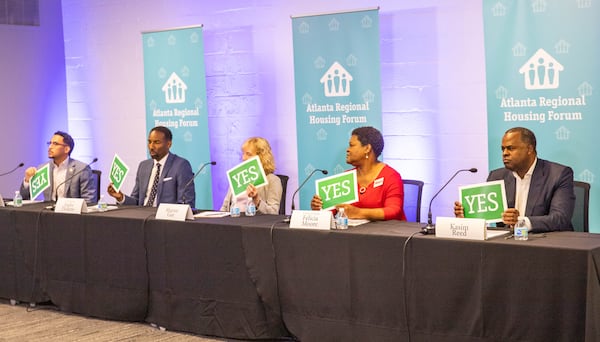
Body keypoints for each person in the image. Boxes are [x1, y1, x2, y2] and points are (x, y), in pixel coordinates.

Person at [454, 127, 575, 232]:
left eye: (511, 148)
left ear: (529, 149)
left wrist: (521, 222)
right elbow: (486, 215)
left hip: (546, 244)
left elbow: (560, 218)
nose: (505, 153)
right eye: (503, 149)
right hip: (507, 246)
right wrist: (468, 217)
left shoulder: (558, 174)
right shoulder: (496, 177)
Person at [310, 126, 406, 221]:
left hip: (386, 233)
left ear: (367, 148)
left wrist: (358, 213)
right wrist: (319, 207)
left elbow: (393, 210)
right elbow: (331, 211)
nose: (347, 150)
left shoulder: (391, 176)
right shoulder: (345, 178)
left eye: (352, 145)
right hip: (353, 234)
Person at [107, 126, 196, 207]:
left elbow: (186, 203)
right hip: (142, 219)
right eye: (149, 142)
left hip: (165, 220)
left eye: (156, 142)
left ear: (169, 144)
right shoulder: (143, 166)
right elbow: (137, 202)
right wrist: (120, 197)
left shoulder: (181, 165)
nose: (151, 147)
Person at [19, 131, 97, 203]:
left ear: (66, 149)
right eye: (50, 143)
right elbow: (24, 198)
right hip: (48, 213)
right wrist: (27, 180)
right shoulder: (43, 168)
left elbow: (89, 200)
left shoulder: (81, 169)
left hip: (72, 214)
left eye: (55, 144)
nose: (50, 147)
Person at [220, 137, 282, 214]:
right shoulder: (238, 177)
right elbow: (225, 207)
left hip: (255, 224)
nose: (243, 158)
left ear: (261, 157)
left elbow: (273, 212)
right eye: (243, 153)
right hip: (232, 222)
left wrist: (256, 199)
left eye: (248, 154)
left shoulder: (273, 180)